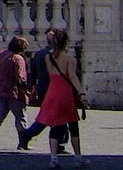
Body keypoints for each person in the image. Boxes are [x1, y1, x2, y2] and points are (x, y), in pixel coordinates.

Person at [25, 28, 86, 167]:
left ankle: (53, 158)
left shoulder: (48, 57)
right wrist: (81, 93)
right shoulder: (69, 59)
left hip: (52, 92)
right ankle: (78, 158)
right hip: (65, 93)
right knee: (73, 125)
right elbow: (72, 76)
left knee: (55, 125)